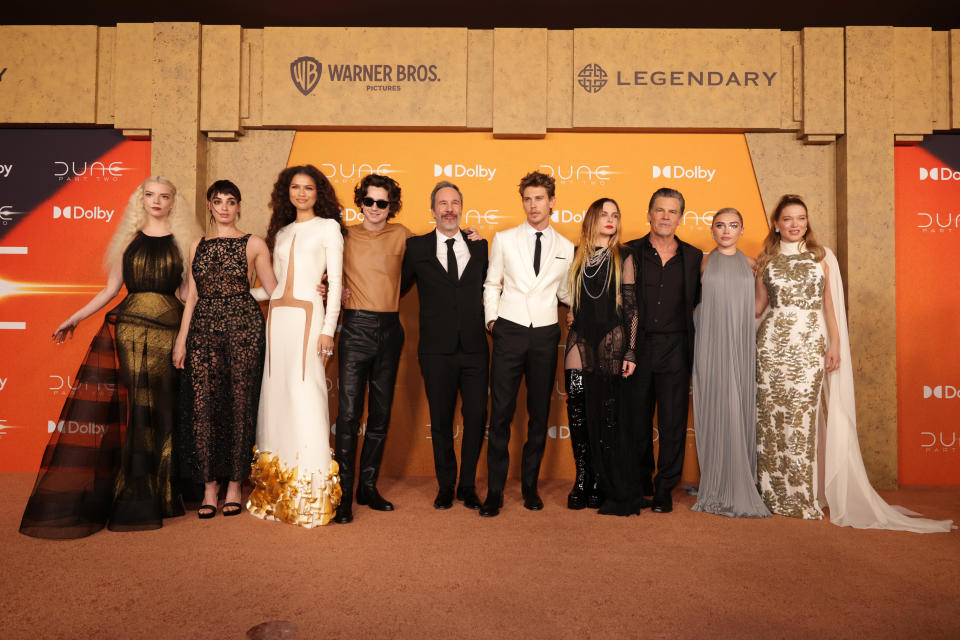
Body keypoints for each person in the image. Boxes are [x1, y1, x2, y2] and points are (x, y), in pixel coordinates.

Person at [755, 194, 952, 532]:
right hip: (771, 347)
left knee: (803, 418)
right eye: (788, 219)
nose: (795, 224)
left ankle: (802, 496)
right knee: (771, 420)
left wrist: (835, 345)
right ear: (776, 223)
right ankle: (771, 494)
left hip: (808, 347)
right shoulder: (765, 261)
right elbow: (758, 307)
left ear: (807, 223)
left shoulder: (821, 258)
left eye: (800, 218)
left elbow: (829, 309)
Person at [20, 176, 197, 538]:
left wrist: (184, 338)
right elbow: (111, 290)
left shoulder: (186, 244)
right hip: (129, 330)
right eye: (150, 195)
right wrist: (75, 316)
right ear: (141, 200)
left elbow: (187, 296)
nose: (156, 201)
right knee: (138, 406)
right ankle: (132, 490)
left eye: (164, 196)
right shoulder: (128, 241)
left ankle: (163, 492)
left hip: (167, 333)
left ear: (173, 202)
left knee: (163, 408)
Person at [245, 165, 344, 528]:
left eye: (309, 188)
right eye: (295, 187)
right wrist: (233, 292)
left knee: (306, 396)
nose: (301, 193)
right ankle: (276, 494)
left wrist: (328, 329)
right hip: (277, 321)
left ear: (320, 193)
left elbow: (334, 282)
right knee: (277, 398)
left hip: (309, 321)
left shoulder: (328, 228)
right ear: (287, 192)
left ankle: (311, 499)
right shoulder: (281, 232)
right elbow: (272, 287)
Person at [173, 180, 277, 519]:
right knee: (203, 406)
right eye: (218, 201)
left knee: (239, 405)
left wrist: (311, 289)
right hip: (202, 330)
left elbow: (273, 291)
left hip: (244, 328)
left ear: (239, 206)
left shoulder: (253, 243)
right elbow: (193, 298)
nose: (224, 207)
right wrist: (181, 339)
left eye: (231, 201)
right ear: (210, 206)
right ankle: (209, 487)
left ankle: (234, 483)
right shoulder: (197, 245)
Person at [480, 170, 574, 517]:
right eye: (527, 199)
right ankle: (494, 492)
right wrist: (493, 321)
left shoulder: (566, 247)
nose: (533, 205)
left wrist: (580, 307)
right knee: (501, 413)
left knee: (538, 414)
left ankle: (531, 487)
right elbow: (492, 283)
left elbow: (564, 292)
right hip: (509, 330)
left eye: (539, 198)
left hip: (546, 334)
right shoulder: (503, 238)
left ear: (551, 201)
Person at [401, 182, 489, 510]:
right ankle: (445, 485)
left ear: (462, 208)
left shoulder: (480, 246)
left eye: (454, 203)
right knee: (440, 420)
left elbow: (492, 289)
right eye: (442, 203)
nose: (449, 208)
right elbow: (393, 288)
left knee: (477, 417)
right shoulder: (417, 248)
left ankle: (467, 485)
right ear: (433, 210)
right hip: (436, 350)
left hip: (475, 348)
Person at [333, 173, 412, 524]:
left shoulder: (403, 234)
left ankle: (367, 486)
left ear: (390, 206)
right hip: (355, 328)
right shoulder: (343, 234)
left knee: (380, 415)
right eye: (369, 201)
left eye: (382, 202)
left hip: (391, 329)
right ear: (360, 202)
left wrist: (469, 238)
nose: (375, 208)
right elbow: (321, 273)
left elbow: (431, 258)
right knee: (349, 416)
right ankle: (343, 495)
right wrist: (330, 290)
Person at [625, 187, 703, 514]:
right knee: (637, 420)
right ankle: (641, 483)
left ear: (681, 218)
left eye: (672, 212)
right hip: (637, 348)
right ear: (649, 214)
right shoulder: (628, 252)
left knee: (672, 423)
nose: (666, 217)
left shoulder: (695, 257)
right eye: (660, 210)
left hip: (676, 348)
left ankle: (664, 488)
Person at [564, 198, 644, 516]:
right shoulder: (575, 255)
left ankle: (599, 479)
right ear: (592, 219)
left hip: (612, 336)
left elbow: (632, 306)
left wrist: (631, 350)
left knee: (606, 411)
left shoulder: (624, 255)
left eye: (615, 215)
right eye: (603, 214)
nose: (610, 220)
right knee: (577, 404)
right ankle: (582, 478)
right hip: (580, 334)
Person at [690, 208, 770, 518]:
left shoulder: (753, 264)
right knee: (714, 406)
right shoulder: (702, 263)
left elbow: (759, 306)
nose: (726, 231)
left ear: (741, 229)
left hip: (739, 343)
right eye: (720, 225)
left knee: (738, 406)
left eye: (733, 225)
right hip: (709, 344)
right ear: (712, 230)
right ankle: (714, 480)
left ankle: (739, 480)